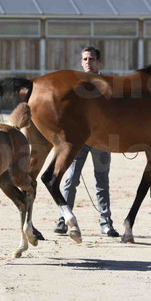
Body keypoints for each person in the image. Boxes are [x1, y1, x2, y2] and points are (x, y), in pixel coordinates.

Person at [53, 46, 119, 237]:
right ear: (81, 62)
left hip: (102, 140)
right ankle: (63, 220)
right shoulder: (74, 84)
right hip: (79, 141)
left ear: (99, 62)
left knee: (102, 182)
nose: (87, 62)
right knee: (70, 180)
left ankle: (106, 223)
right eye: (84, 59)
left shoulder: (109, 85)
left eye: (91, 59)